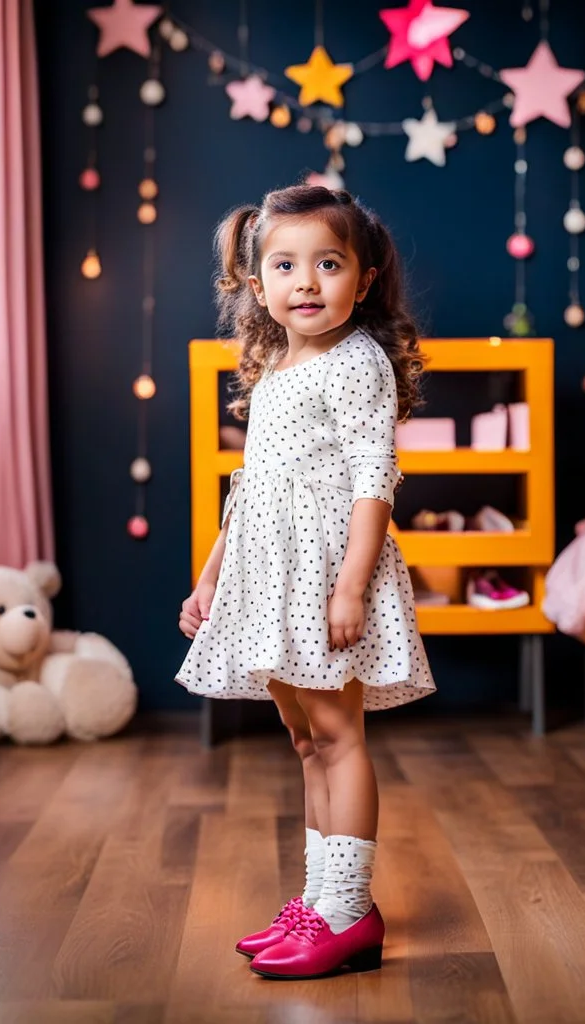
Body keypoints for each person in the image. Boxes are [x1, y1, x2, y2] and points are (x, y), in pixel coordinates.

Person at [176, 183, 436, 979]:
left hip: (322, 573)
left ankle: (349, 911)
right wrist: (211, 577)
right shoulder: (279, 364)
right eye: (286, 266)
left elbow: (373, 478)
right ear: (259, 288)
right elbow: (251, 487)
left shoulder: (357, 363)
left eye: (328, 263)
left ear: (363, 278)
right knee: (305, 738)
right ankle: (320, 902)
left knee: (338, 735)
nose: (308, 282)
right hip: (268, 574)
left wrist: (352, 586)